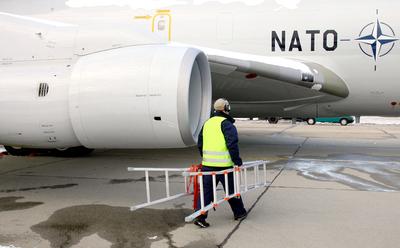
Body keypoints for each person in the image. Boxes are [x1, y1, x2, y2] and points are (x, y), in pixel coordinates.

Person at [194, 98, 247, 228]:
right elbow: (232, 144)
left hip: (208, 166)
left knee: (206, 192)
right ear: (226, 109)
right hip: (224, 167)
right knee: (232, 191)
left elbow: (200, 143)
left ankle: (200, 217)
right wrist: (237, 161)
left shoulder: (207, 123)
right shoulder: (226, 124)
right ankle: (239, 213)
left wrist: (205, 158)